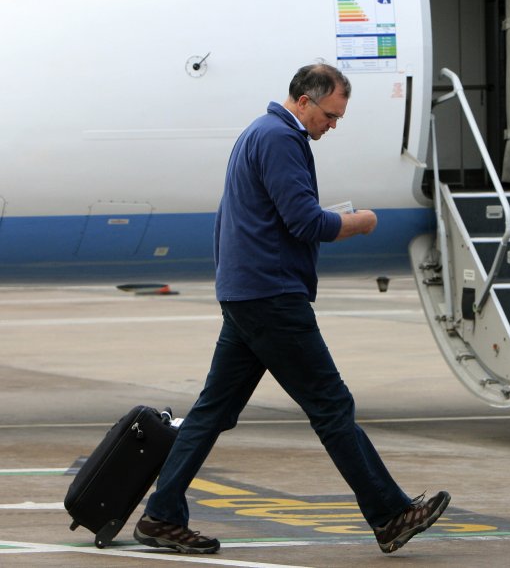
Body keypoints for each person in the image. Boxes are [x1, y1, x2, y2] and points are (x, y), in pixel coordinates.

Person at [133, 63, 450, 555]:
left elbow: (234, 216)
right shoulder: (281, 138)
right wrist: (358, 221)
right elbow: (304, 222)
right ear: (304, 101)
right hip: (273, 298)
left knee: (212, 412)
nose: (333, 125)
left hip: (247, 294)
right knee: (330, 406)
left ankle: (161, 515)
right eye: (330, 115)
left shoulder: (255, 134)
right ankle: (390, 515)